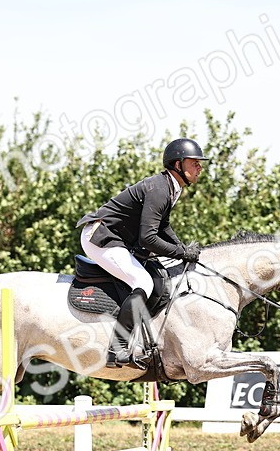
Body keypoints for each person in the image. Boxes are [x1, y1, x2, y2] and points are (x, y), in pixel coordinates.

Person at [76, 137, 208, 368]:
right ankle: (117, 348)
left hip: (118, 239)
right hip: (101, 237)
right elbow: (148, 238)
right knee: (143, 281)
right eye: (194, 163)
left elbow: (163, 227)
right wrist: (181, 253)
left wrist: (183, 249)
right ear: (178, 165)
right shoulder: (159, 189)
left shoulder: (169, 187)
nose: (200, 168)